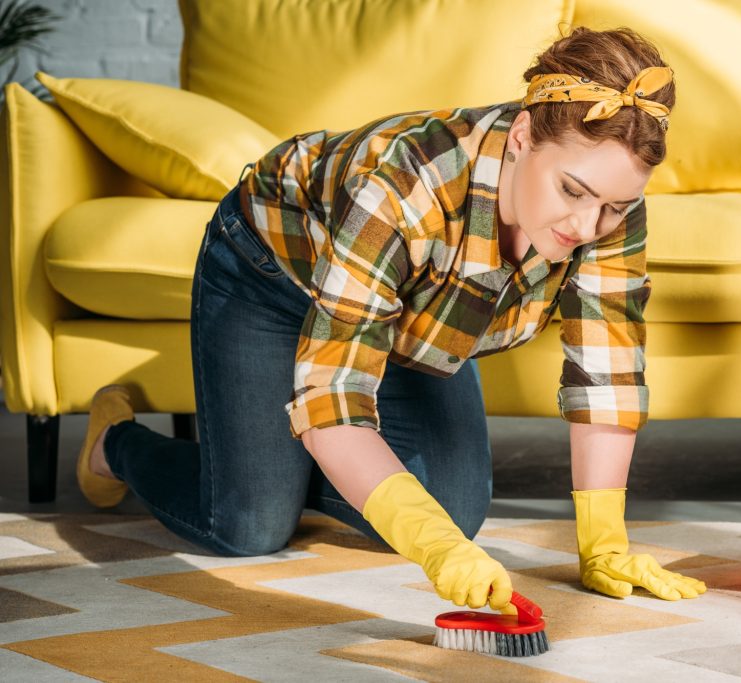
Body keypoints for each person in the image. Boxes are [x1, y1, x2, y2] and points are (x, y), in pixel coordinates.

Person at [76, 25, 707, 613]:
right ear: (521, 139)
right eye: (571, 191)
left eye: (614, 206)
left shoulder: (608, 212)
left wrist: (604, 544)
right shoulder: (405, 187)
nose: (586, 227)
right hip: (273, 273)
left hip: (408, 315)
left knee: (452, 511)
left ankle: (286, 462)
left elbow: (607, 370)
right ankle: (116, 445)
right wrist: (426, 544)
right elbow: (333, 395)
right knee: (249, 524)